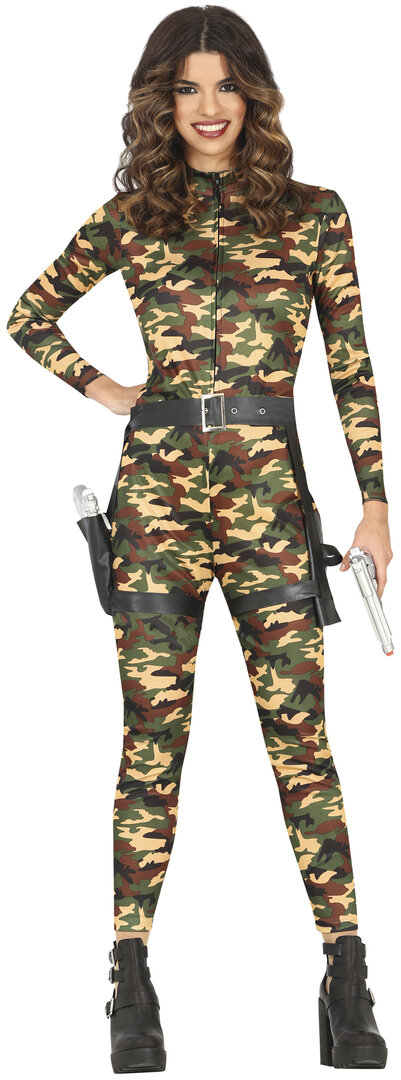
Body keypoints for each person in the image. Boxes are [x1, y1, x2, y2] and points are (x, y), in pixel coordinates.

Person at [6, 5, 392, 1073]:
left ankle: (346, 977)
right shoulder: (132, 217)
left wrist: (373, 502)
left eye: (225, 85)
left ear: (253, 94)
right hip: (156, 504)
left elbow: (351, 366)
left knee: (302, 742)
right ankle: (129, 981)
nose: (208, 107)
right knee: (152, 742)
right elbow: (28, 313)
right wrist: (103, 387)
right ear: (160, 101)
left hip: (272, 502)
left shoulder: (314, 215)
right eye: (186, 87)